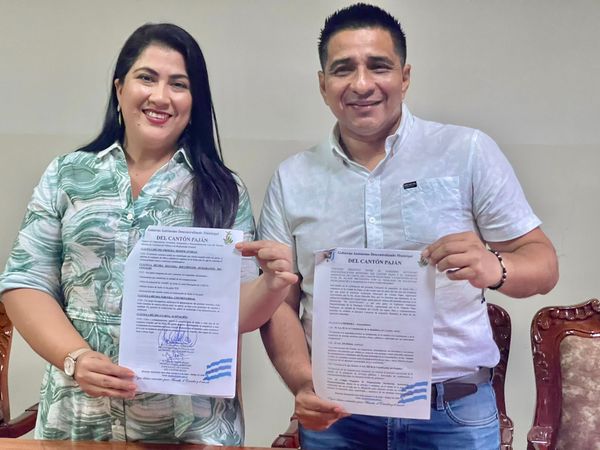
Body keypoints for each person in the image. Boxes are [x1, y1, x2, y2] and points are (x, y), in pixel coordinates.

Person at [258, 3, 558, 449]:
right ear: (323, 85)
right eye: (343, 69)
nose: (362, 84)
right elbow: (279, 300)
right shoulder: (292, 179)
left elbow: (544, 264)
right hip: (339, 419)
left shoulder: (466, 151)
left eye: (378, 66)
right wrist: (303, 383)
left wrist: (495, 266)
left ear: (405, 76)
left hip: (453, 416)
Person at [0, 23, 296, 445]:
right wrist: (76, 357)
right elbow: (25, 282)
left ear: (194, 101)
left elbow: (236, 313)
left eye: (179, 84)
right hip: (80, 418)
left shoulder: (223, 189)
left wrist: (271, 285)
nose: (161, 96)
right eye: (147, 78)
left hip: (190, 428)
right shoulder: (67, 175)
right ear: (120, 88)